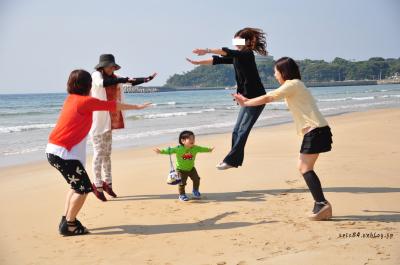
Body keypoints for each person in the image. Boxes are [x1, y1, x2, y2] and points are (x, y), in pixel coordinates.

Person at [46, 69, 151, 236]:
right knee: (83, 189)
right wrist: (137, 107)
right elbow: (112, 105)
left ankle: (66, 219)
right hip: (63, 153)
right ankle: (70, 225)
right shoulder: (85, 101)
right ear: (88, 85)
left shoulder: (70, 99)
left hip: (54, 150)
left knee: (75, 187)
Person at [233, 57, 333, 221]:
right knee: (304, 167)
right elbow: (271, 97)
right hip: (317, 131)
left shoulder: (292, 84)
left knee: (304, 167)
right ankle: (321, 204)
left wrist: (247, 103)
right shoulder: (294, 85)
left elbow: (268, 97)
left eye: (275, 72)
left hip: (316, 131)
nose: (275, 75)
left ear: (283, 72)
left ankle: (322, 204)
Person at [186, 27, 267, 170]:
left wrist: (207, 49)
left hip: (256, 98)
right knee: (237, 130)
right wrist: (198, 63)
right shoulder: (238, 56)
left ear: (248, 41)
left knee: (243, 130)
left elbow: (226, 52)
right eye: (235, 40)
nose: (236, 43)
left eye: (239, 40)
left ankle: (231, 160)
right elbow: (217, 60)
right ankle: (233, 161)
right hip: (246, 99)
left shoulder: (247, 54)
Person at [90, 54, 157, 201]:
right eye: (109, 66)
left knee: (107, 154)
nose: (111, 68)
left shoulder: (115, 76)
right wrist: (123, 79)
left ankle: (108, 183)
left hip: (110, 120)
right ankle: (97, 184)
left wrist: (146, 79)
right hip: (98, 122)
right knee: (98, 153)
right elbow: (103, 84)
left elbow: (129, 82)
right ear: (102, 66)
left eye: (113, 66)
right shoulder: (96, 75)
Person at [154, 131, 214, 201]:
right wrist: (161, 151)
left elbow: (202, 149)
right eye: (190, 139)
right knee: (182, 183)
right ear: (183, 141)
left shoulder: (195, 148)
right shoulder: (178, 149)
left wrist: (209, 150)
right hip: (181, 170)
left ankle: (195, 191)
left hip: (191, 168)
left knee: (196, 179)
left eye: (193, 139)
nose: (193, 140)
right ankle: (182, 195)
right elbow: (170, 150)